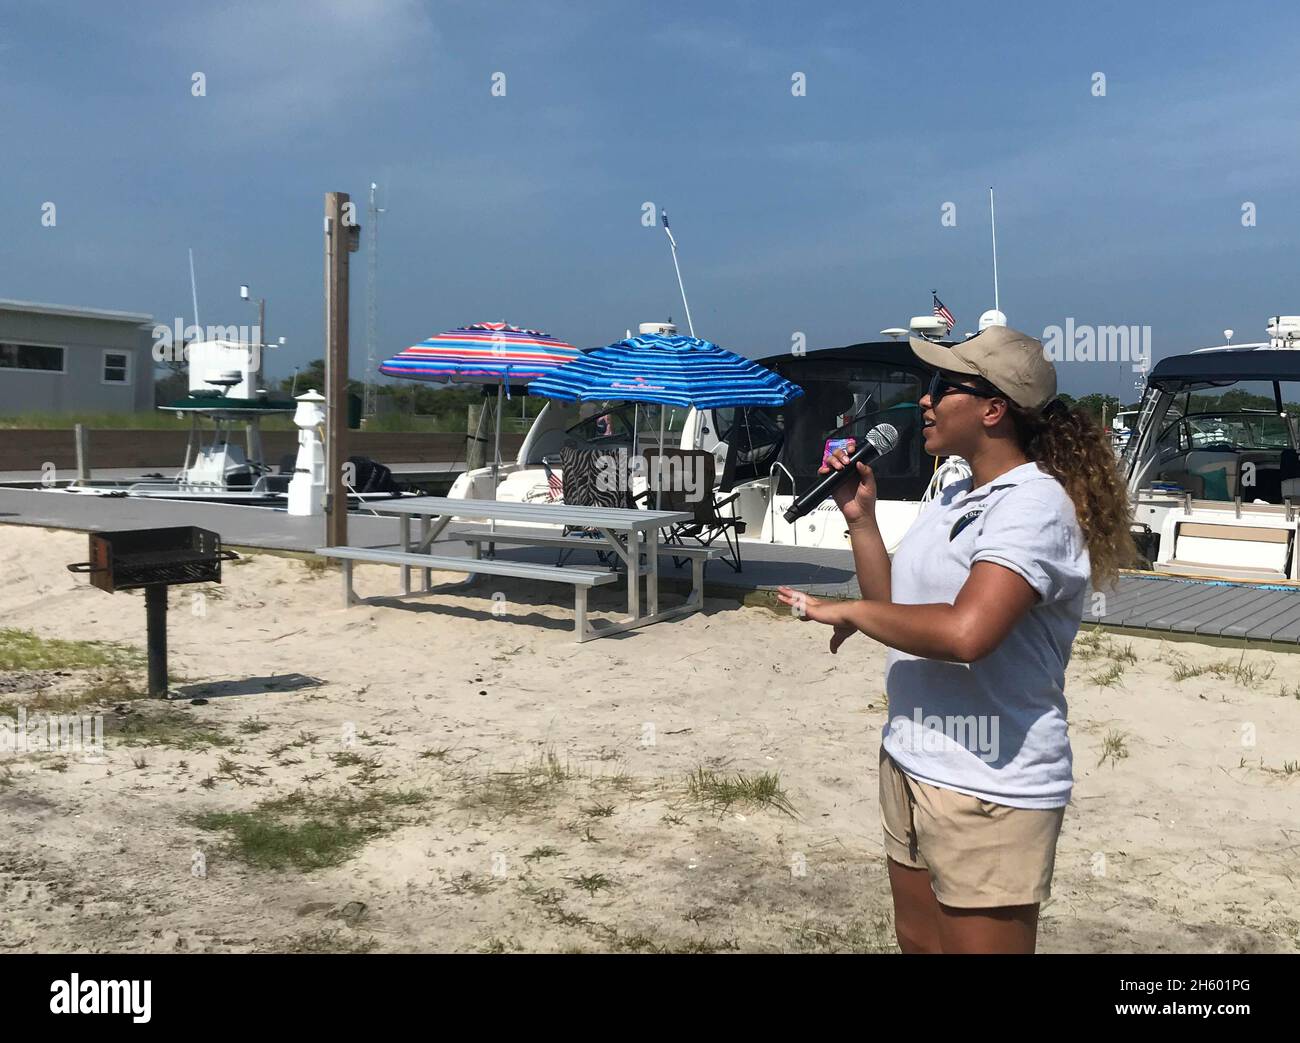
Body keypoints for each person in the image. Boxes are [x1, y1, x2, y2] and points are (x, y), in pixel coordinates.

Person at [777, 325, 1134, 954]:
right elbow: (897, 611)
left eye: (943, 386)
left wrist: (850, 610)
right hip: (911, 756)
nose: (926, 399)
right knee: (918, 941)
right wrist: (861, 519)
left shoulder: (1035, 505)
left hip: (989, 781)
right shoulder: (952, 488)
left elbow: (969, 634)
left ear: (994, 409)